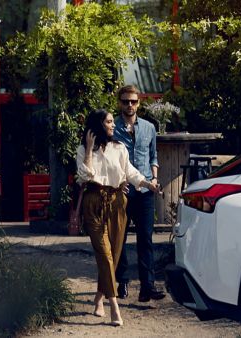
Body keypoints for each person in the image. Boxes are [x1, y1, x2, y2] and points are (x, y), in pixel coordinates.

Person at [76, 109, 160, 326]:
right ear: (99, 125)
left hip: (117, 203)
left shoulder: (119, 148)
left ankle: (98, 298)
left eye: (113, 121)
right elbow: (85, 176)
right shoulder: (83, 149)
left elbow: (130, 172)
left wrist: (147, 183)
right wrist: (87, 151)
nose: (114, 125)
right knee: (104, 254)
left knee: (113, 253)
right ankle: (114, 307)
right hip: (93, 202)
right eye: (110, 122)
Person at [114, 85, 166, 302]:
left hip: (145, 188)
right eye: (126, 101)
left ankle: (148, 286)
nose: (129, 105)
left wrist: (154, 178)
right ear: (119, 103)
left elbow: (153, 156)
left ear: (139, 103)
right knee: (121, 238)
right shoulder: (112, 127)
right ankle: (123, 281)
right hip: (124, 189)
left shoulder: (149, 127)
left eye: (133, 101)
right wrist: (117, 182)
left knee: (146, 238)